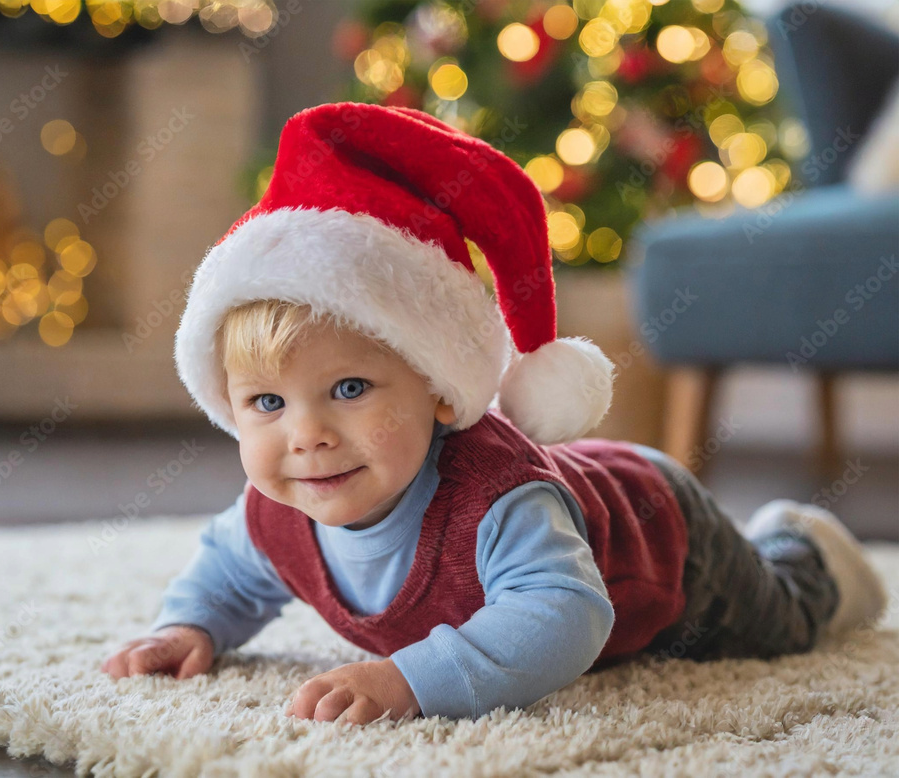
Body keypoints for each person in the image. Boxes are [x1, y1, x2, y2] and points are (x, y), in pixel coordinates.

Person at [100, 102, 888, 725]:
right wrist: (189, 626)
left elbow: (566, 612)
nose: (305, 435)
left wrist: (411, 680)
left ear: (440, 388)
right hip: (616, 514)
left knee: (777, 624)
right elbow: (230, 573)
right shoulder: (278, 511)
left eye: (349, 390)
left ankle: (807, 551)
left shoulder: (496, 499)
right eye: (267, 403)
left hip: (664, 537)